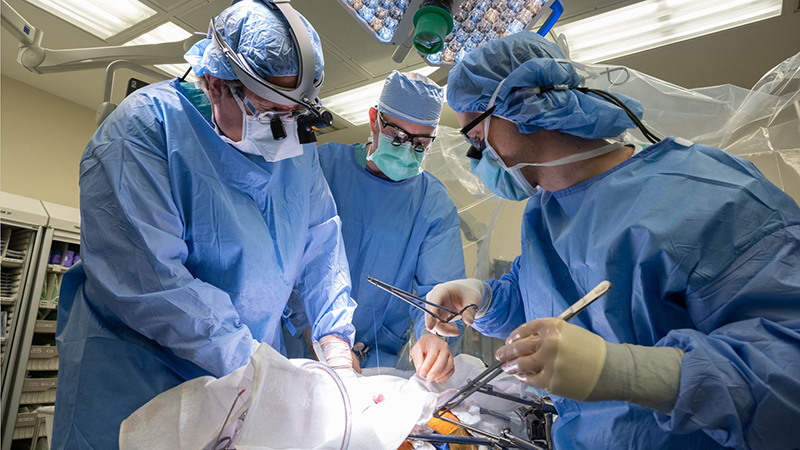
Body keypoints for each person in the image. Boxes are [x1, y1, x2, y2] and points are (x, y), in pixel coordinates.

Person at [424, 32, 800, 450]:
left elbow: (787, 366)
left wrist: (627, 372)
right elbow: (556, 307)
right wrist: (484, 298)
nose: (476, 157)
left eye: (475, 138)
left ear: (520, 106)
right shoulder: (544, 214)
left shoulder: (708, 193)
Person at [52, 1, 359, 448]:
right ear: (215, 85)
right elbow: (153, 282)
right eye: (270, 115)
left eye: (296, 115)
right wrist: (255, 367)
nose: (285, 133)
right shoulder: (141, 131)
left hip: (240, 388)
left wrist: (334, 339)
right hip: (139, 384)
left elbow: (320, 244)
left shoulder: (295, 151)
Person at [284, 71, 466, 383]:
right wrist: (314, 333)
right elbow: (284, 258)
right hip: (296, 349)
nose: (407, 150)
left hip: (374, 362)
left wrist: (435, 336)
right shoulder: (322, 167)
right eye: (398, 137)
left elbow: (439, 292)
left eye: (420, 144)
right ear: (374, 120)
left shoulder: (432, 204)